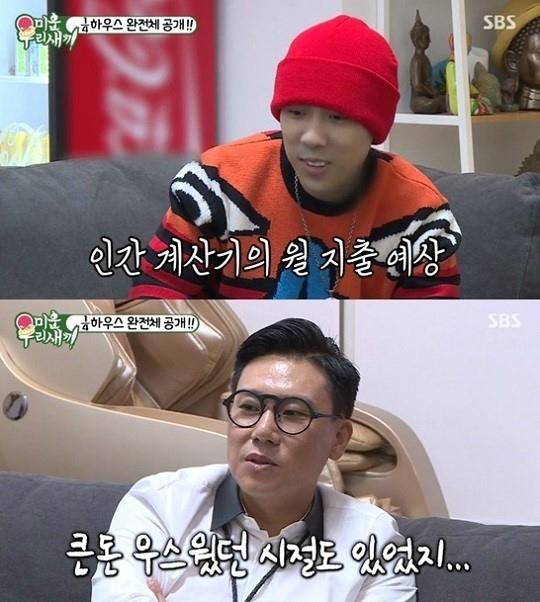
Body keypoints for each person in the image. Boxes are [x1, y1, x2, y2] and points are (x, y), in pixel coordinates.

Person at [130, 15, 461, 300]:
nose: (312, 137)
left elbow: (428, 335)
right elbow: (155, 302)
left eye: (337, 118)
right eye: (297, 113)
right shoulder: (214, 185)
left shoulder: (421, 218)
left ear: (374, 128)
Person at [91, 318, 417, 600]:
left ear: (338, 439)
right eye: (248, 407)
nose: (263, 431)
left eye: (292, 413)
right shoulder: (159, 506)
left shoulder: (373, 542)